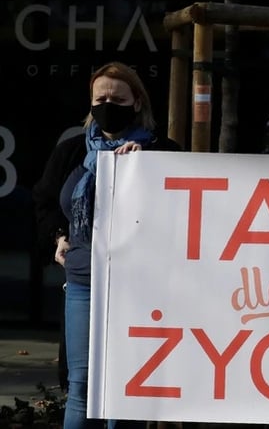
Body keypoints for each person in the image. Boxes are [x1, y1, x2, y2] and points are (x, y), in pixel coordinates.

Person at [32, 61, 181, 429]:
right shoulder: (71, 151)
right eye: (101, 97)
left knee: (126, 386)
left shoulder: (162, 150)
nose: (108, 103)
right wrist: (58, 237)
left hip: (141, 284)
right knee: (83, 386)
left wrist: (144, 169)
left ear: (136, 102)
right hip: (84, 280)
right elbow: (46, 201)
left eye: (118, 97)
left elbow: (179, 210)